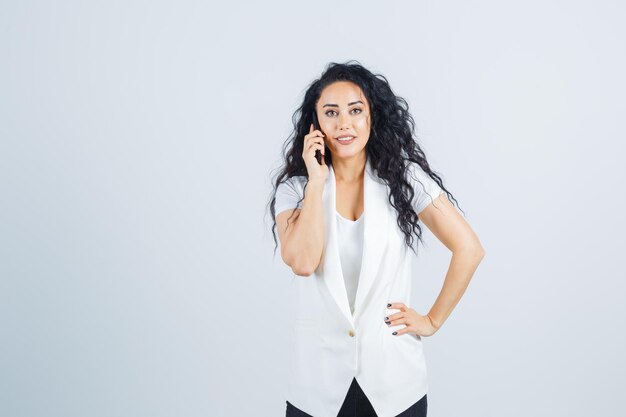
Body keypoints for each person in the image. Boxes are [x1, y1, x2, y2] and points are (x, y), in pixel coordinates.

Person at [268, 61, 485, 417]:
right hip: (317, 389)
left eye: (356, 110)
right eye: (331, 112)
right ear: (316, 124)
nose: (344, 124)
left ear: (373, 116)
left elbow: (469, 249)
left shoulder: (404, 178)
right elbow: (303, 262)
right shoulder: (296, 190)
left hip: (394, 385)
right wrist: (317, 181)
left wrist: (432, 321)